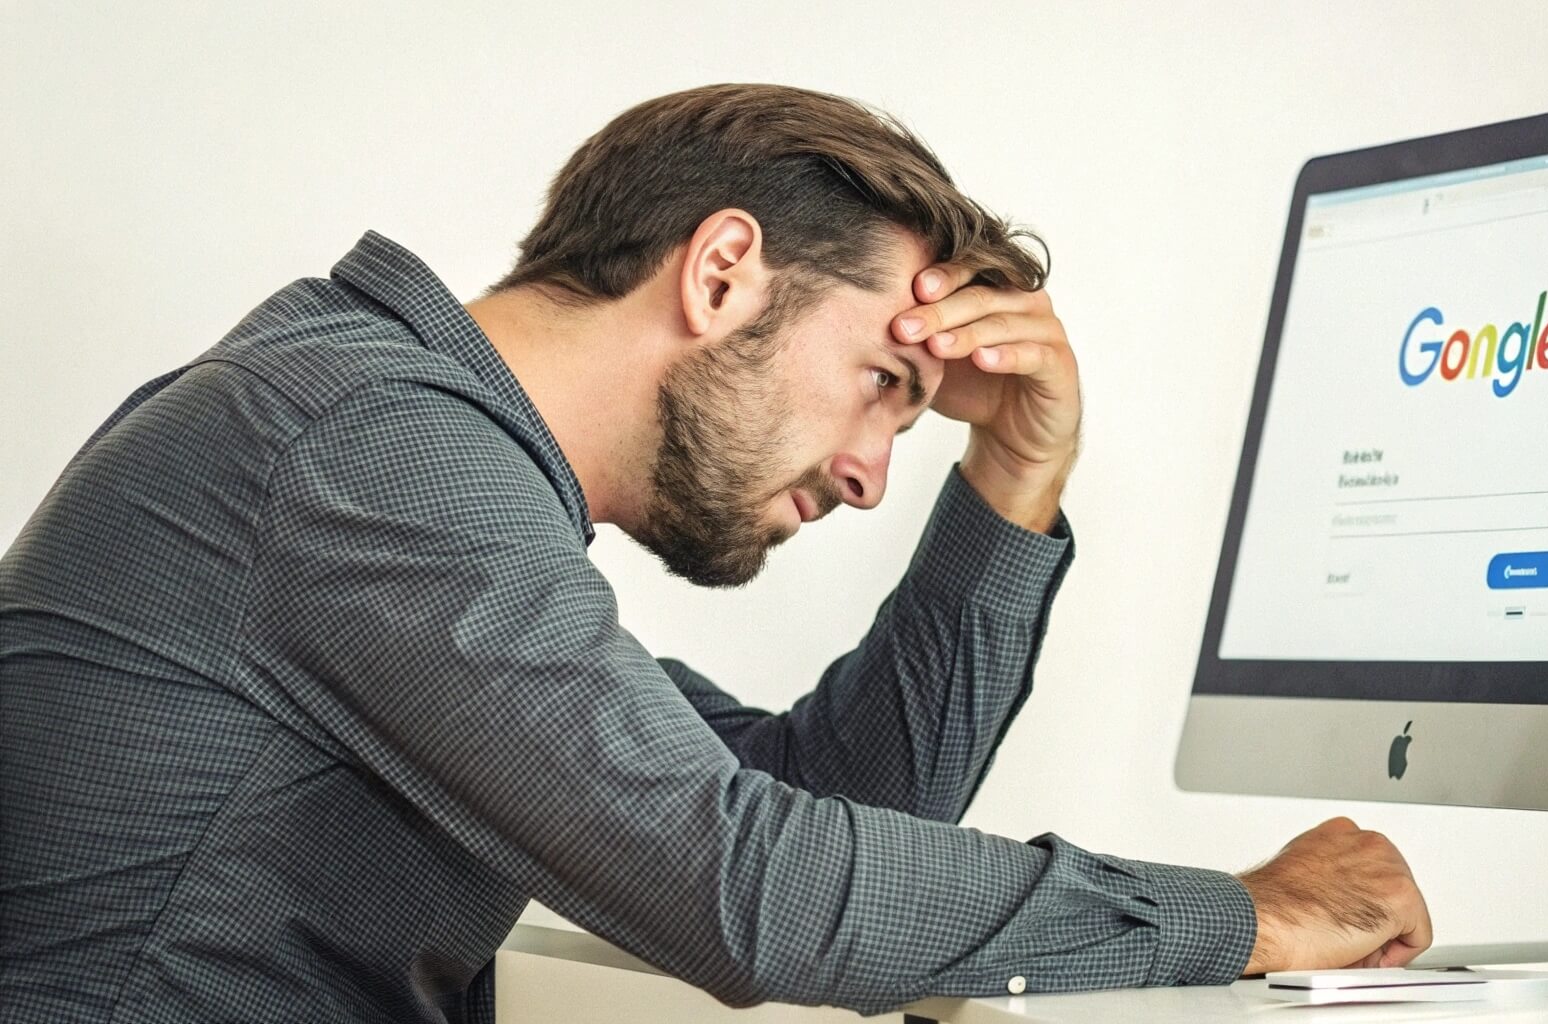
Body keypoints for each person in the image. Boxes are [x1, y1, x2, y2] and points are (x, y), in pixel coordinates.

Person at [0, 84, 1430, 1023]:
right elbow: (754, 891)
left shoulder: (386, 447)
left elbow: (825, 811)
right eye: (884, 383)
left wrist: (1010, 478)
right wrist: (1250, 918)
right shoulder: (370, 444)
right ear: (723, 270)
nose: (872, 475)